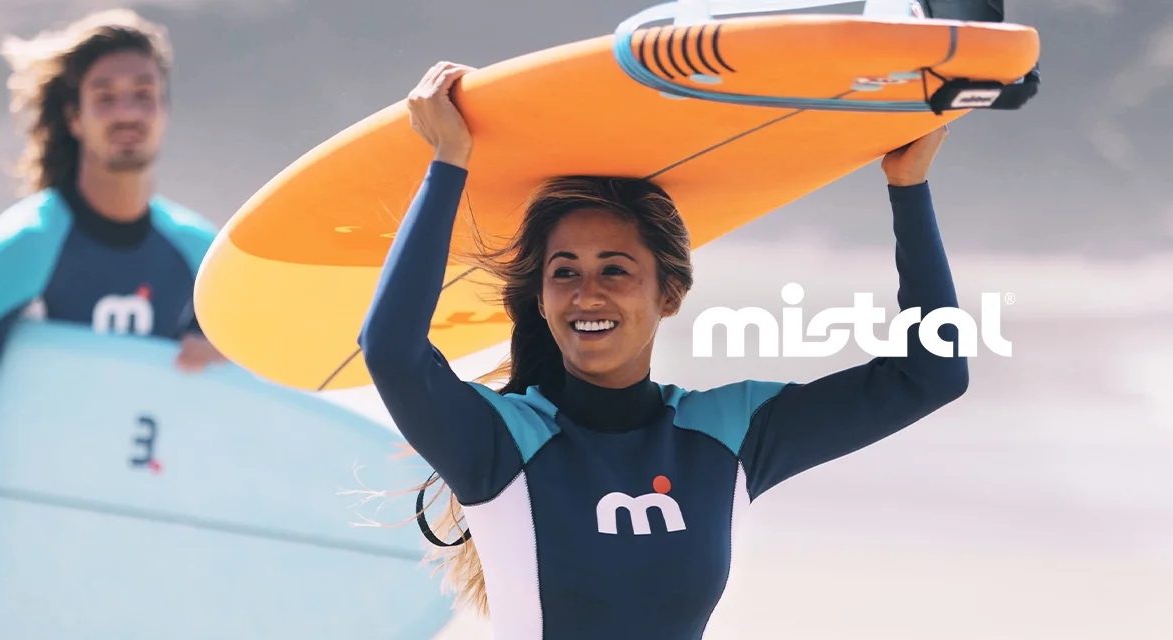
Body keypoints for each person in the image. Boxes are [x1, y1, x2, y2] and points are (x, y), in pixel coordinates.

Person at [357, 61, 969, 639]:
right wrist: (449, 163)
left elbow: (932, 374)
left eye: (615, 271)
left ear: (669, 293)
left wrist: (908, 186)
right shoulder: (500, 442)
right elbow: (390, 349)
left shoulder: (726, 432)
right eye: (564, 272)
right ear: (541, 301)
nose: (586, 294)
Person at [0, 9, 224, 639]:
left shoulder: (200, 255)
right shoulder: (26, 246)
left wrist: (230, 351)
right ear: (75, 117)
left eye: (143, 93)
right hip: (26, 541)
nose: (127, 110)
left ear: (164, 110)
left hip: (140, 547)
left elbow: (254, 407)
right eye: (105, 96)